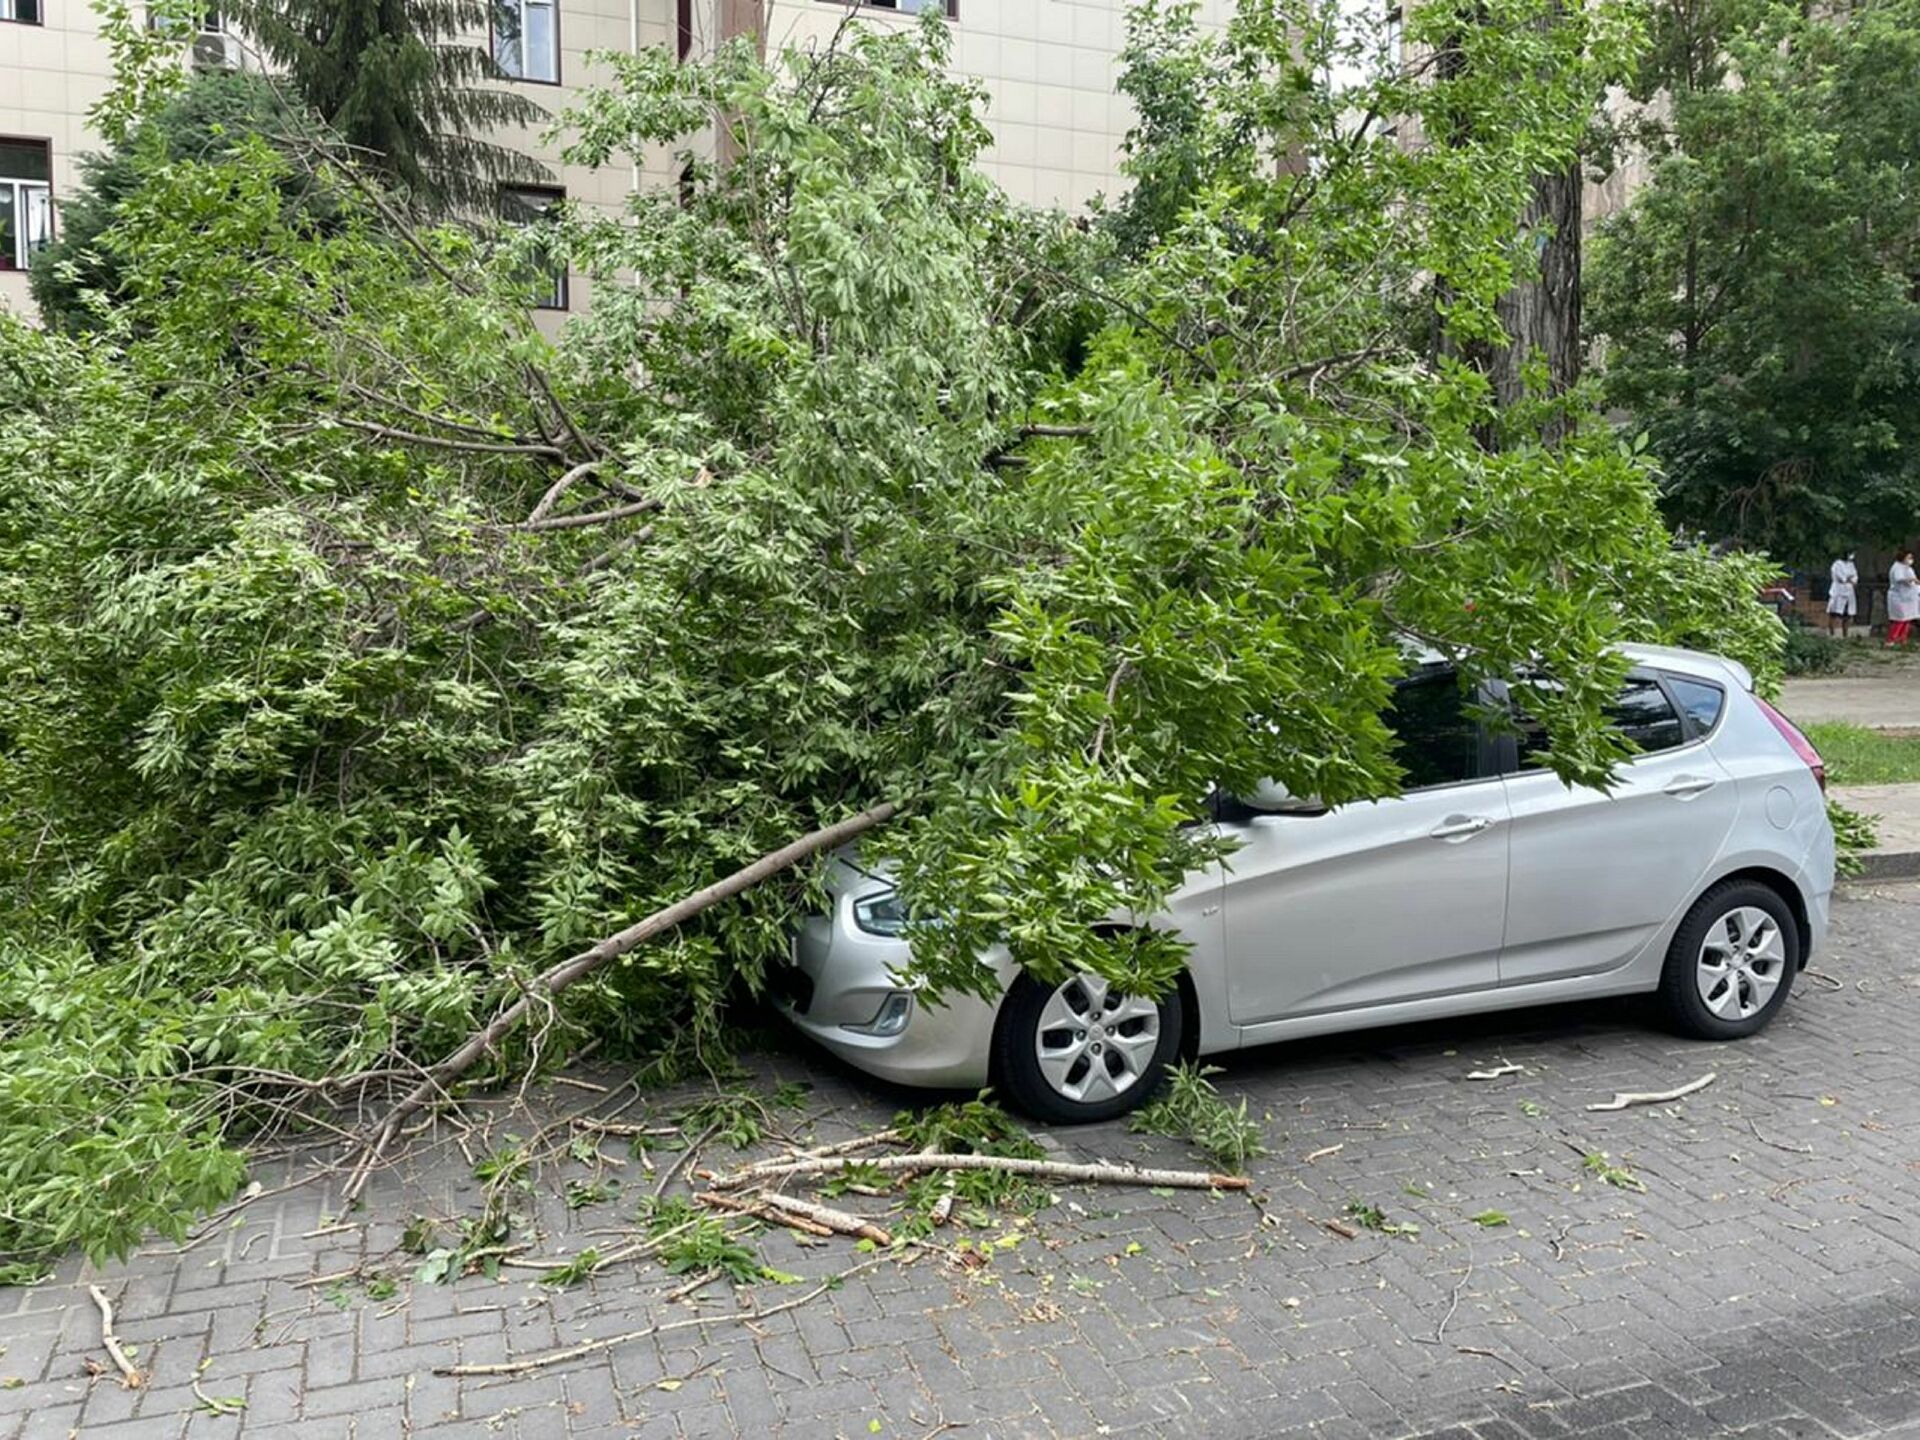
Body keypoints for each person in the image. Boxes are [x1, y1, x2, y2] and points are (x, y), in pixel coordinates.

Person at [1889, 551, 1919, 646]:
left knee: (1907, 619)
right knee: (1900, 619)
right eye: (1908, 558)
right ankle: (1891, 639)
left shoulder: (1908, 568)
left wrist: (1915, 581)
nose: (1910, 560)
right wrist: (1911, 580)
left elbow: (1914, 580)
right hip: (1899, 597)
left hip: (1908, 597)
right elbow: (1899, 579)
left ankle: (1902, 639)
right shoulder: (1897, 567)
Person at [1828, 552, 1859, 636]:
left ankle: (1845, 634)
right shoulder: (1837, 564)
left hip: (1849, 591)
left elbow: (1855, 576)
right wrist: (1849, 579)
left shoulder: (1851, 564)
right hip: (1838, 591)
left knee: (1848, 615)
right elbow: (1841, 577)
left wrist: (1852, 580)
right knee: (1834, 613)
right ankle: (1832, 634)